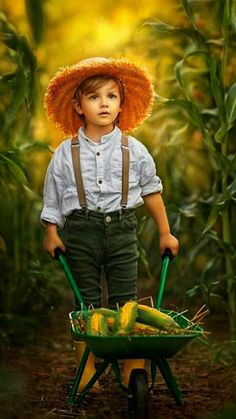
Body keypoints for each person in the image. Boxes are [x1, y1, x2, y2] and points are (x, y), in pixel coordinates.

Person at [41, 57, 179, 392]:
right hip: (82, 230)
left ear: (121, 104)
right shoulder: (65, 152)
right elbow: (53, 195)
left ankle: (133, 365)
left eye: (111, 96)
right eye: (93, 97)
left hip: (122, 230)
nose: (103, 103)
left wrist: (165, 231)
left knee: (125, 299)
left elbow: (151, 191)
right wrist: (51, 232)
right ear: (78, 106)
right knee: (85, 302)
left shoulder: (135, 149)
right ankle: (87, 365)